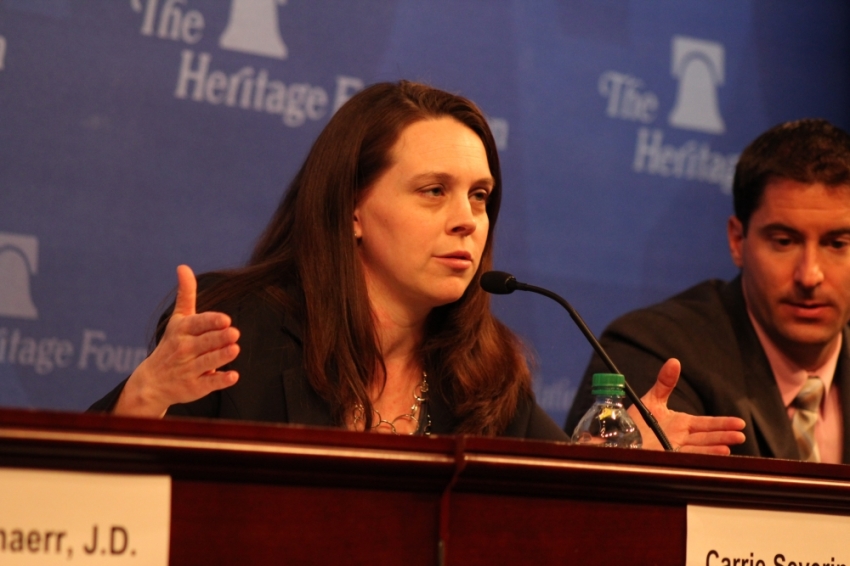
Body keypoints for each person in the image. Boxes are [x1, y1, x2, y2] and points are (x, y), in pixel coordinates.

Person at [91, 80, 743, 450]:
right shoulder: (241, 329)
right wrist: (146, 400)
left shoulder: (487, 373)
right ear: (352, 208)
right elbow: (94, 505)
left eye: (480, 196)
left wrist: (618, 457)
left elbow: (545, 508)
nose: (468, 220)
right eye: (434, 191)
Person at [565, 118, 850, 463]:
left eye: (838, 244)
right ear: (737, 240)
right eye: (784, 242)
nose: (810, 275)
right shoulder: (655, 352)